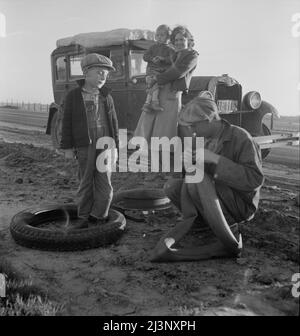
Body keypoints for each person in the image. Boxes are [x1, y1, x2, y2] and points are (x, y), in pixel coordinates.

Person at [150, 96, 264, 262]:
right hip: (214, 195)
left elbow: (254, 180)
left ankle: (226, 230)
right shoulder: (202, 139)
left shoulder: (241, 137)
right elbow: (193, 175)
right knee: (172, 186)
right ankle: (203, 223)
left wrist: (216, 159)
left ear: (209, 119)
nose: (192, 130)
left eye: (194, 125)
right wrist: (187, 164)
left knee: (199, 180)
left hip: (239, 204)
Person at [60, 53, 119, 229]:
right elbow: (67, 122)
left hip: (105, 144)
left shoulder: (106, 96)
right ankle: (83, 217)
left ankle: (99, 216)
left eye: (106, 74)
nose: (104, 76)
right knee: (86, 181)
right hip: (85, 144)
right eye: (100, 72)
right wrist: (68, 147)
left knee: (104, 181)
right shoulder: (73, 96)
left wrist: (115, 147)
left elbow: (114, 123)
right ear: (86, 73)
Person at [134, 25, 199, 145]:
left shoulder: (191, 55)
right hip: (161, 88)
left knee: (165, 125)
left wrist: (156, 79)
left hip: (172, 92)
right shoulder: (173, 53)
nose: (179, 43)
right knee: (150, 118)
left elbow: (177, 72)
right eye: (176, 40)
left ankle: (163, 150)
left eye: (182, 40)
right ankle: (144, 145)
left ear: (188, 40)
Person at [142, 24, 175, 113]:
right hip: (151, 71)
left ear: (168, 37)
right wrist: (152, 58)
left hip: (161, 72)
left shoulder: (170, 49)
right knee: (154, 85)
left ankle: (147, 103)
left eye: (162, 35)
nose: (159, 37)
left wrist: (163, 59)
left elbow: (172, 60)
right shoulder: (153, 47)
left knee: (154, 86)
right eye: (158, 35)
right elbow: (145, 56)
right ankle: (154, 102)